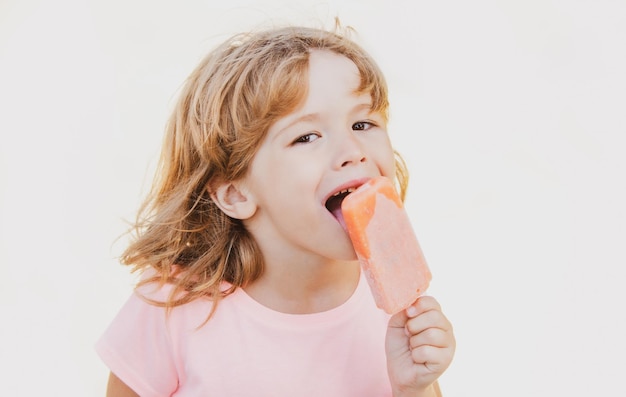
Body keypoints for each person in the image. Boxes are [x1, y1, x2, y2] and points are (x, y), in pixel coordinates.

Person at [96, 23, 455, 397]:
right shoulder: (171, 308)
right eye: (306, 136)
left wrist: (413, 387)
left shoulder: (393, 309)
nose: (353, 151)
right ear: (235, 194)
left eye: (362, 123)